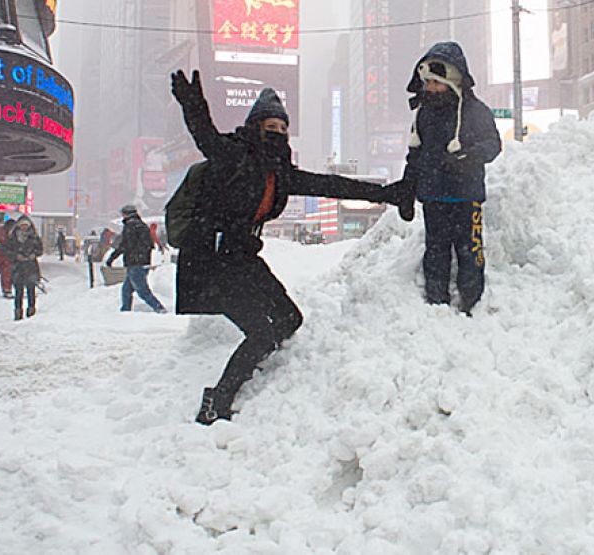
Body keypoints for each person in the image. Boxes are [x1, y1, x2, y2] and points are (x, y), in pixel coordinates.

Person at [170, 70, 413, 425]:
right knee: (262, 331)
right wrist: (194, 106)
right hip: (212, 262)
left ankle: (257, 365)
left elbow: (330, 185)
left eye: (283, 128)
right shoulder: (234, 158)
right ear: (255, 127)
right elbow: (206, 138)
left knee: (289, 319)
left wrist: (385, 193)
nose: (278, 133)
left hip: (243, 259)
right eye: (271, 125)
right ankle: (217, 401)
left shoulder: (279, 173)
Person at [400, 42, 502, 315]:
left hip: (467, 198)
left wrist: (468, 157)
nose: (431, 88)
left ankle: (472, 303)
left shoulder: (475, 110)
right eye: (428, 82)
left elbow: (493, 144)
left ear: (452, 79)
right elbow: (415, 155)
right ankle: (437, 304)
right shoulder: (422, 114)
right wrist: (406, 190)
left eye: (437, 82)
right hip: (433, 198)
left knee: (471, 251)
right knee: (435, 252)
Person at [105, 205, 167, 314]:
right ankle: (125, 311)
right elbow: (148, 244)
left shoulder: (130, 227)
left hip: (135, 262)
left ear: (126, 214)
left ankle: (159, 309)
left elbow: (124, 245)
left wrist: (112, 258)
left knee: (142, 290)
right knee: (126, 290)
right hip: (141, 261)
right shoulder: (142, 226)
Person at [3, 215, 43, 320]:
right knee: (18, 291)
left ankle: (31, 310)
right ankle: (18, 311)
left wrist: (33, 254)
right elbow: (7, 250)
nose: (24, 227)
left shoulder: (34, 237)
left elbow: (40, 250)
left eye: (26, 225)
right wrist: (16, 256)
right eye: (22, 225)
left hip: (30, 267)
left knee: (31, 290)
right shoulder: (13, 237)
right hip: (18, 267)